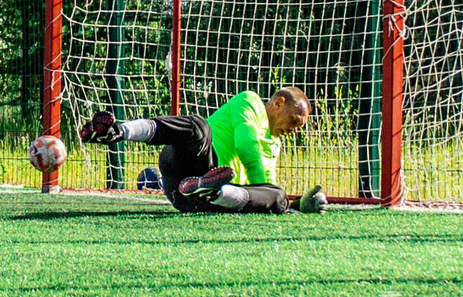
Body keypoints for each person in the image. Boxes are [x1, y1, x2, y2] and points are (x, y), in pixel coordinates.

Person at [80, 89, 327, 215]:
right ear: (279, 103)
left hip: (197, 200)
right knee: (198, 126)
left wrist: (293, 205)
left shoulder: (275, 144)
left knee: (279, 196)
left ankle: (213, 191)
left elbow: (267, 187)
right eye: (294, 121)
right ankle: (118, 131)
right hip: (192, 162)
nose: (295, 130)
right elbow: (245, 146)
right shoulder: (250, 101)